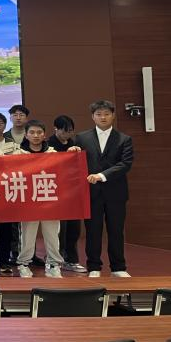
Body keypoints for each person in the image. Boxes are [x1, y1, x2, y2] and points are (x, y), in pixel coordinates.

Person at [74, 100, 134, 278]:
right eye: (99, 114)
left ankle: (118, 267)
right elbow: (76, 163)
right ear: (93, 117)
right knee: (93, 231)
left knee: (116, 230)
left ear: (113, 115)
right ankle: (94, 266)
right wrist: (73, 151)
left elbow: (125, 164)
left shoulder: (124, 139)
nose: (103, 117)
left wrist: (102, 175)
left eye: (107, 114)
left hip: (116, 192)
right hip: (91, 193)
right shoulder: (82, 138)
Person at [17, 120, 65, 278]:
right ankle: (24, 264)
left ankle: (54, 264)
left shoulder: (52, 154)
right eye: (32, 132)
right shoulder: (18, 154)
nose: (36, 135)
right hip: (28, 202)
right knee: (27, 235)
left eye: (39, 132)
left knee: (52, 234)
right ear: (26, 135)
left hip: (49, 200)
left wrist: (73, 152)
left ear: (44, 135)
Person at [48, 115, 87, 273]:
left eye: (70, 131)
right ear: (56, 129)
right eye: (64, 131)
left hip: (73, 193)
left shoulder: (75, 144)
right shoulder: (49, 145)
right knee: (60, 230)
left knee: (74, 228)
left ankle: (72, 259)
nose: (67, 134)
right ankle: (57, 259)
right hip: (56, 192)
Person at [0, 111, 20, 273]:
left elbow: (22, 161)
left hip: (7, 191)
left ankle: (3, 261)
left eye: (0, 123)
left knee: (6, 230)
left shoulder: (12, 144)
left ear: (5, 125)